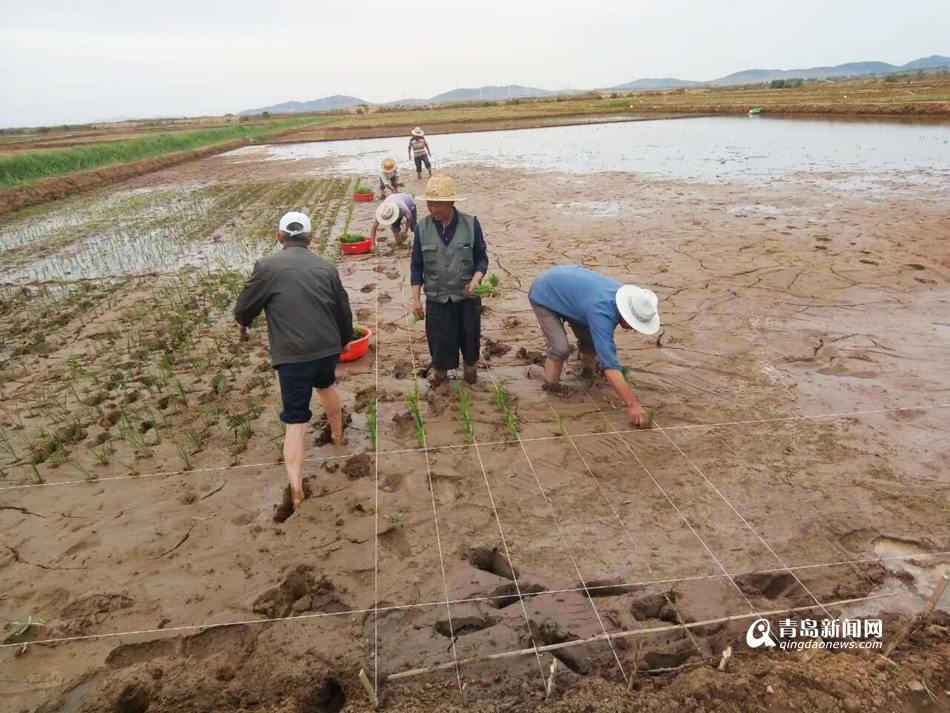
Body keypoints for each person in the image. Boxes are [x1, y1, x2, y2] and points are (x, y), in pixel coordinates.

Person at [234, 211, 353, 512]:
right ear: (310, 238)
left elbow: (244, 307)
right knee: (326, 385)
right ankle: (338, 437)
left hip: (292, 356)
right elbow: (342, 309)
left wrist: (243, 322)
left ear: (279, 237)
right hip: (326, 348)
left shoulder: (267, 267)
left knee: (296, 421)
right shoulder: (326, 267)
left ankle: (297, 490)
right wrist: (344, 339)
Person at [528, 265, 660, 427]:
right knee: (560, 348)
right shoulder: (602, 313)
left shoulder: (623, 296)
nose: (633, 328)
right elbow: (610, 366)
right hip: (544, 294)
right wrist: (633, 405)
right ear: (627, 314)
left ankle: (587, 372)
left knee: (591, 341)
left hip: (572, 292)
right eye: (634, 323)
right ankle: (551, 386)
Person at [410, 175, 488, 386]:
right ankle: (441, 383)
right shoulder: (421, 228)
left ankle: (471, 380)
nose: (433, 208)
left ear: (451, 203)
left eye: (438, 204)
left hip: (467, 299)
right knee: (439, 349)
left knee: (470, 346)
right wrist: (416, 299)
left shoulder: (471, 224)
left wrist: (477, 279)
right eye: (430, 203)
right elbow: (417, 265)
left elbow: (482, 258)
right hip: (437, 299)